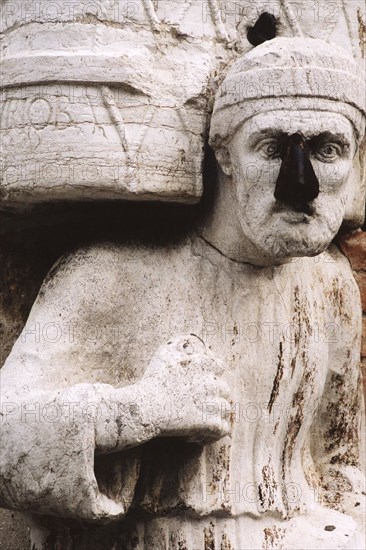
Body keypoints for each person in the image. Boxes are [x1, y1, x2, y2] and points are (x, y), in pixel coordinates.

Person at [1, 37, 365, 549]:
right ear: (225, 155)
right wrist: (137, 412)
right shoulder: (112, 274)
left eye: (329, 150)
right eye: (271, 148)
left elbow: (342, 469)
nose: (299, 182)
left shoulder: (330, 286)